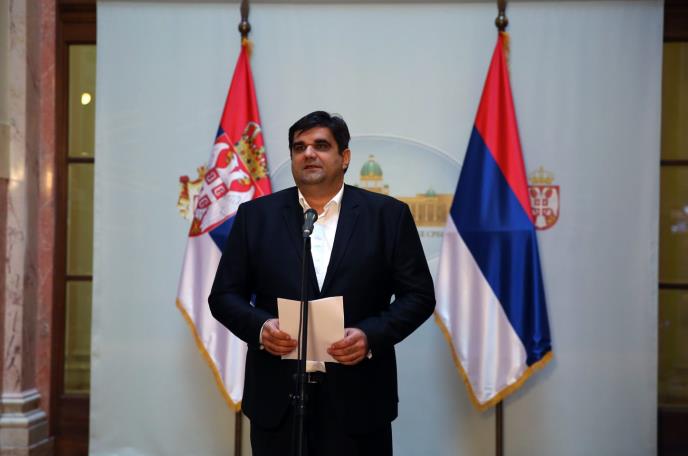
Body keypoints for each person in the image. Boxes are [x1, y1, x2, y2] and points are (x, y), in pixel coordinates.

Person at [209, 111, 435, 455]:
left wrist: (370, 335)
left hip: (360, 400)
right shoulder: (256, 217)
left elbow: (418, 295)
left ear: (344, 157)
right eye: (299, 147)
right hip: (277, 402)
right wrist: (261, 328)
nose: (309, 154)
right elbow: (224, 295)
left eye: (321, 145)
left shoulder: (387, 216)